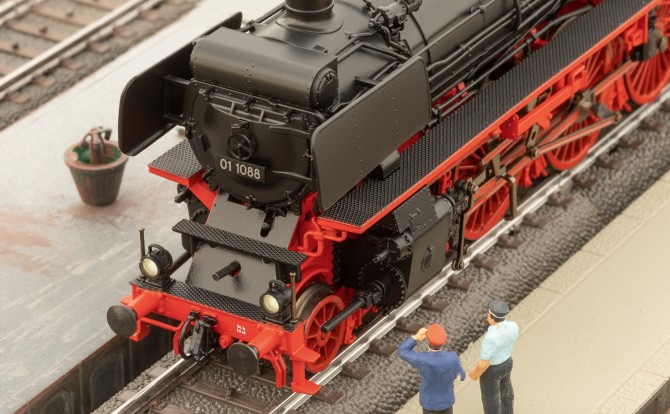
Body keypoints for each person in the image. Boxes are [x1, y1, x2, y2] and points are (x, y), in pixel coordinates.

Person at [398, 323, 465, 414]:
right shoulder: (452, 357)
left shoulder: (423, 360)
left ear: (428, 341)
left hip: (429, 404)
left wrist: (415, 337)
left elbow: (402, 351)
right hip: (447, 402)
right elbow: (461, 377)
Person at [468, 299, 519, 414]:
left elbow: (484, 362)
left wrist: (474, 374)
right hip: (508, 362)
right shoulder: (513, 326)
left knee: (491, 399)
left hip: (492, 370)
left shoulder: (491, 337)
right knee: (506, 390)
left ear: (491, 317)